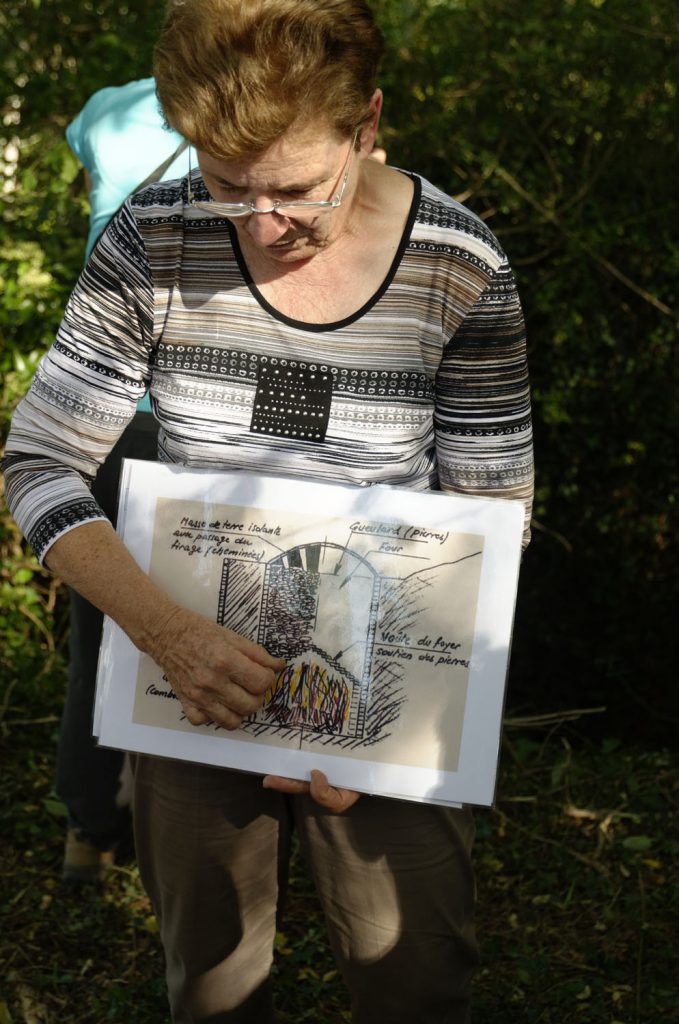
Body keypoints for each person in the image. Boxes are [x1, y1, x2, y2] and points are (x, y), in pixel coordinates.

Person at [2, 1, 534, 1020]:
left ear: (367, 124)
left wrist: (379, 724)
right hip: (188, 679)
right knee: (211, 976)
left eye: (295, 189)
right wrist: (166, 634)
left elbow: (492, 517)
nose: (260, 224)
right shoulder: (152, 238)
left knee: (412, 969)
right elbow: (38, 464)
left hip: (389, 682)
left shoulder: (457, 264)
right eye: (224, 186)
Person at [58, 77, 190, 882]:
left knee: (100, 626)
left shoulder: (107, 108)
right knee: (197, 619)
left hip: (97, 409)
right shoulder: (255, 117)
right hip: (188, 413)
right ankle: (173, 836)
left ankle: (88, 829)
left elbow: (88, 185)